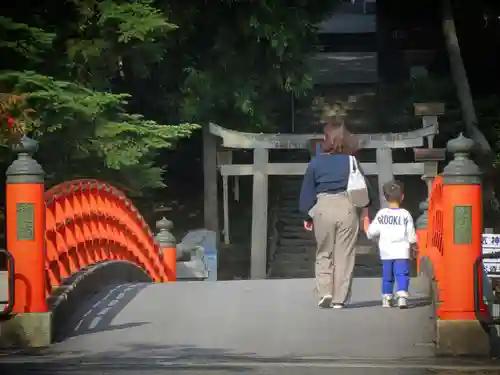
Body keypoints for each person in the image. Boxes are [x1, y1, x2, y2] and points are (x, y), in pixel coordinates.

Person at [299, 121, 373, 309]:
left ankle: (325, 292)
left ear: (326, 140)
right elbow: (365, 189)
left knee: (324, 252)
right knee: (345, 254)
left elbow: (307, 192)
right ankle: (340, 298)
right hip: (347, 207)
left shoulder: (315, 163)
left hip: (323, 207)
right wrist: (365, 211)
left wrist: (307, 216)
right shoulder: (351, 161)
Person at [363, 180, 417, 309]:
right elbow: (411, 234)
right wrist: (414, 246)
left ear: (385, 198)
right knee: (402, 274)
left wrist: (366, 222)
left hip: (386, 252)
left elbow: (371, 232)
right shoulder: (405, 214)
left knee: (387, 276)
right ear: (402, 197)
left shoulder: (382, 214)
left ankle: (387, 298)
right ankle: (402, 297)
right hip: (402, 251)